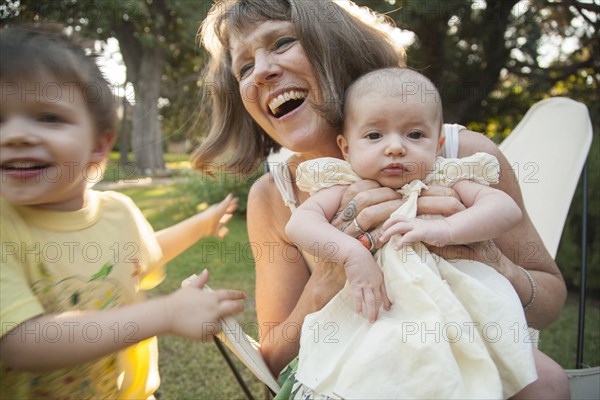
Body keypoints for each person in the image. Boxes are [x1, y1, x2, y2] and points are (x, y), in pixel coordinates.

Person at [192, 0, 569, 398]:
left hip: (464, 354)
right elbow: (273, 360)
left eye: (282, 42)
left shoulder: (462, 159)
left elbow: (549, 303)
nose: (262, 71)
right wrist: (327, 279)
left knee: (547, 383)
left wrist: (487, 258)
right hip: (355, 371)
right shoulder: (274, 197)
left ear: (339, 44)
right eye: (245, 67)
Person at [0, 24, 245, 399]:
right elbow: (20, 341)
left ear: (99, 146)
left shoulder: (117, 211)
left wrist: (202, 224)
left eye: (48, 117)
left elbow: (138, 256)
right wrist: (165, 314)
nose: (14, 135)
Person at [285, 67, 537, 398]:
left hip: (454, 315)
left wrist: (446, 228)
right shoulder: (344, 185)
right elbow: (300, 224)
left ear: (438, 145)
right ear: (346, 148)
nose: (395, 148)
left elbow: (504, 209)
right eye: (374, 136)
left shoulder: (445, 178)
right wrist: (352, 253)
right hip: (378, 313)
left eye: (415, 135)